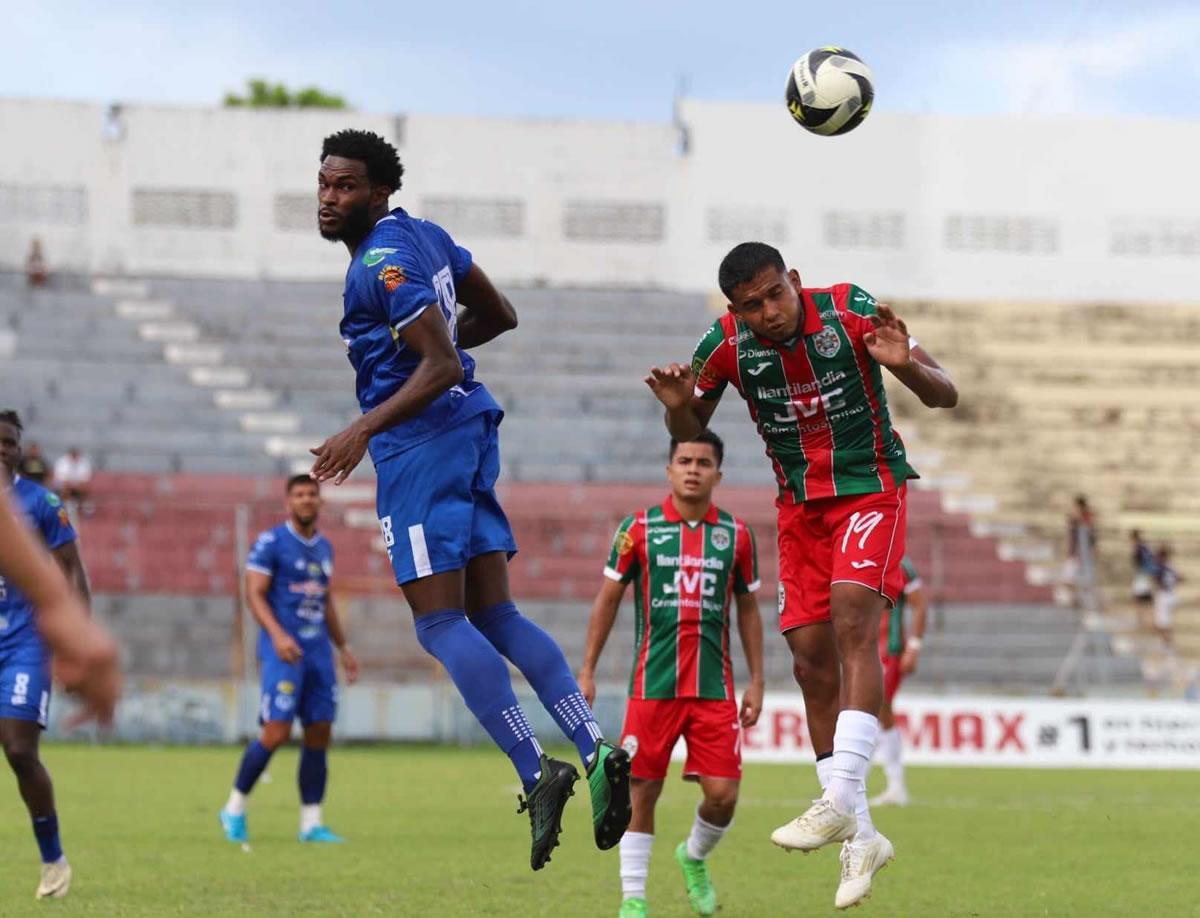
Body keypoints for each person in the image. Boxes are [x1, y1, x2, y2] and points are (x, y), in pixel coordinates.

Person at [308, 129, 630, 870]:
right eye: (324, 184)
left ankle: (533, 767)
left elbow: (441, 358)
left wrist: (364, 426)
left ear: (379, 191)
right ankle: (593, 746)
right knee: (496, 612)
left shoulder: (382, 263)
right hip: (469, 430)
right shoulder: (426, 238)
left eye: (346, 186)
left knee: (441, 621)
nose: (330, 199)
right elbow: (496, 316)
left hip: (421, 449)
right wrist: (428, 358)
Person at [644, 242, 957, 909]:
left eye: (775, 294)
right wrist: (676, 407)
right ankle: (862, 837)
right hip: (800, 510)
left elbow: (945, 393)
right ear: (736, 309)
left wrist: (907, 368)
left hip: (871, 487)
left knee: (852, 618)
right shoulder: (725, 344)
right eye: (751, 305)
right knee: (812, 663)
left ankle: (840, 795)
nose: (769, 312)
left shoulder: (851, 310)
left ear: (795, 280)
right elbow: (689, 425)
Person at [578, 431, 765, 918]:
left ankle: (694, 856)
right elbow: (607, 601)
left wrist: (758, 680)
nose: (693, 469)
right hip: (652, 687)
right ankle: (633, 899)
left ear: (717, 475)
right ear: (669, 469)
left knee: (723, 796)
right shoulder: (637, 529)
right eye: (684, 460)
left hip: (713, 689)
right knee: (641, 792)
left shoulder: (736, 535)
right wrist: (588, 670)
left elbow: (748, 609)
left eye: (704, 462)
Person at [219, 474, 359, 845]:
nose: (306, 500)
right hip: (284, 652)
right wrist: (278, 634)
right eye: (299, 495)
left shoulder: (325, 548)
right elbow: (254, 593)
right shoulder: (271, 543)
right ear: (288, 503)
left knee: (319, 733)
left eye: (312, 494)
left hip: (318, 654)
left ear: (320, 502)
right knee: (276, 731)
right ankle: (234, 808)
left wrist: (343, 648)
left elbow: (325, 600)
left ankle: (311, 823)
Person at [0, 409, 95, 900]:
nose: (2, 448)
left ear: (20, 449)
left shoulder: (41, 503)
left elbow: (72, 571)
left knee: (18, 749)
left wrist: (78, 640)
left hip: (23, 642)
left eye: (9, 442)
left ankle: (53, 859)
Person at [869, 557, 927, 808]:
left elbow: (920, 605)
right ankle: (892, 785)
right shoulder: (855, 556)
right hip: (863, 648)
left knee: (876, 707)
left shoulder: (900, 565)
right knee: (876, 711)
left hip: (889, 649)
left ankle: (886, 784)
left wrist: (913, 647)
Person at [1065, 496, 1099, 613]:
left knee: (1086, 581)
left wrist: (1093, 549)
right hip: (1076, 554)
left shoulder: (1087, 519)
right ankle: (1077, 600)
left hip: (1084, 554)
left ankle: (1085, 603)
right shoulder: (1076, 521)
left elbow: (1092, 535)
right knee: (1071, 579)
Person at [1152, 545, 1180, 649]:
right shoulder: (1171, 567)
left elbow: (1157, 580)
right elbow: (1178, 578)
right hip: (1171, 594)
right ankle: (1168, 643)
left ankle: (1167, 645)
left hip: (1163, 596)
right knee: (1166, 622)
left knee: (1162, 623)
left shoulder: (1161, 568)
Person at [53, 447, 93, 514]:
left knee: (86, 487)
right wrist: (72, 484)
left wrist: (76, 485)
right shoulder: (62, 462)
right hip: (65, 485)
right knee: (65, 487)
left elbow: (85, 479)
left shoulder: (83, 462)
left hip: (77, 485)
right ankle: (67, 505)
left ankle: (84, 505)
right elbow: (61, 479)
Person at [1130, 530, 1156, 630]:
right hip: (1145, 575)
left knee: (1138, 598)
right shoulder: (1145, 547)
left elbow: (1139, 563)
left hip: (1142, 575)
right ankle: (1149, 621)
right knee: (1147, 599)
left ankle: (1141, 621)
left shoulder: (1139, 548)